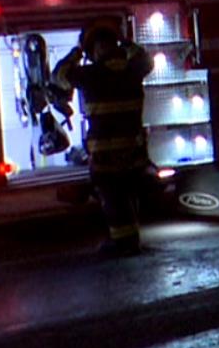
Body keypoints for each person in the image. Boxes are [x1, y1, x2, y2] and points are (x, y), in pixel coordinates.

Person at [52, 22, 153, 256]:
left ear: (96, 50)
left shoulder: (90, 74)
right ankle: (131, 240)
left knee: (114, 201)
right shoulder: (134, 69)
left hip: (106, 156)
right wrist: (125, 42)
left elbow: (59, 75)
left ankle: (123, 244)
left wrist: (77, 51)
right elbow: (145, 58)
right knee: (129, 197)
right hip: (134, 153)